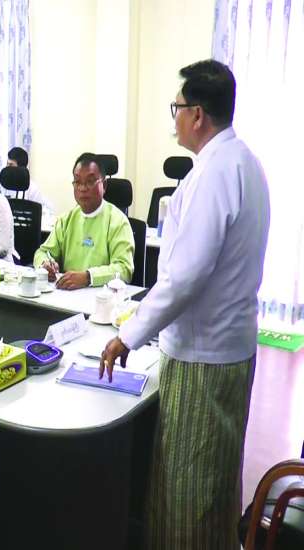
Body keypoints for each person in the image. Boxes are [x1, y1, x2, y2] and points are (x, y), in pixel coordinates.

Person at [100, 60, 270, 549]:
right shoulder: (243, 162)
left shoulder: (214, 172)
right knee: (215, 483)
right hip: (228, 347)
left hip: (202, 358)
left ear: (197, 114)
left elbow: (184, 276)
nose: (172, 117)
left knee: (189, 490)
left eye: (175, 107)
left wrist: (127, 335)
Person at [32, 153, 134, 289]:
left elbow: (124, 269)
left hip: (102, 297)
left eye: (90, 182)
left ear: (104, 185)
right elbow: (42, 252)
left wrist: (88, 277)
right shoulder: (66, 219)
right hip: (66, 294)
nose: (83, 188)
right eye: (77, 182)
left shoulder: (118, 221)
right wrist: (45, 264)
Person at [0, 146, 54, 212]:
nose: (7, 168)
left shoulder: (32, 189)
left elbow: (38, 212)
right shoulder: (2, 182)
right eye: (7, 164)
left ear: (21, 168)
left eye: (11, 165)